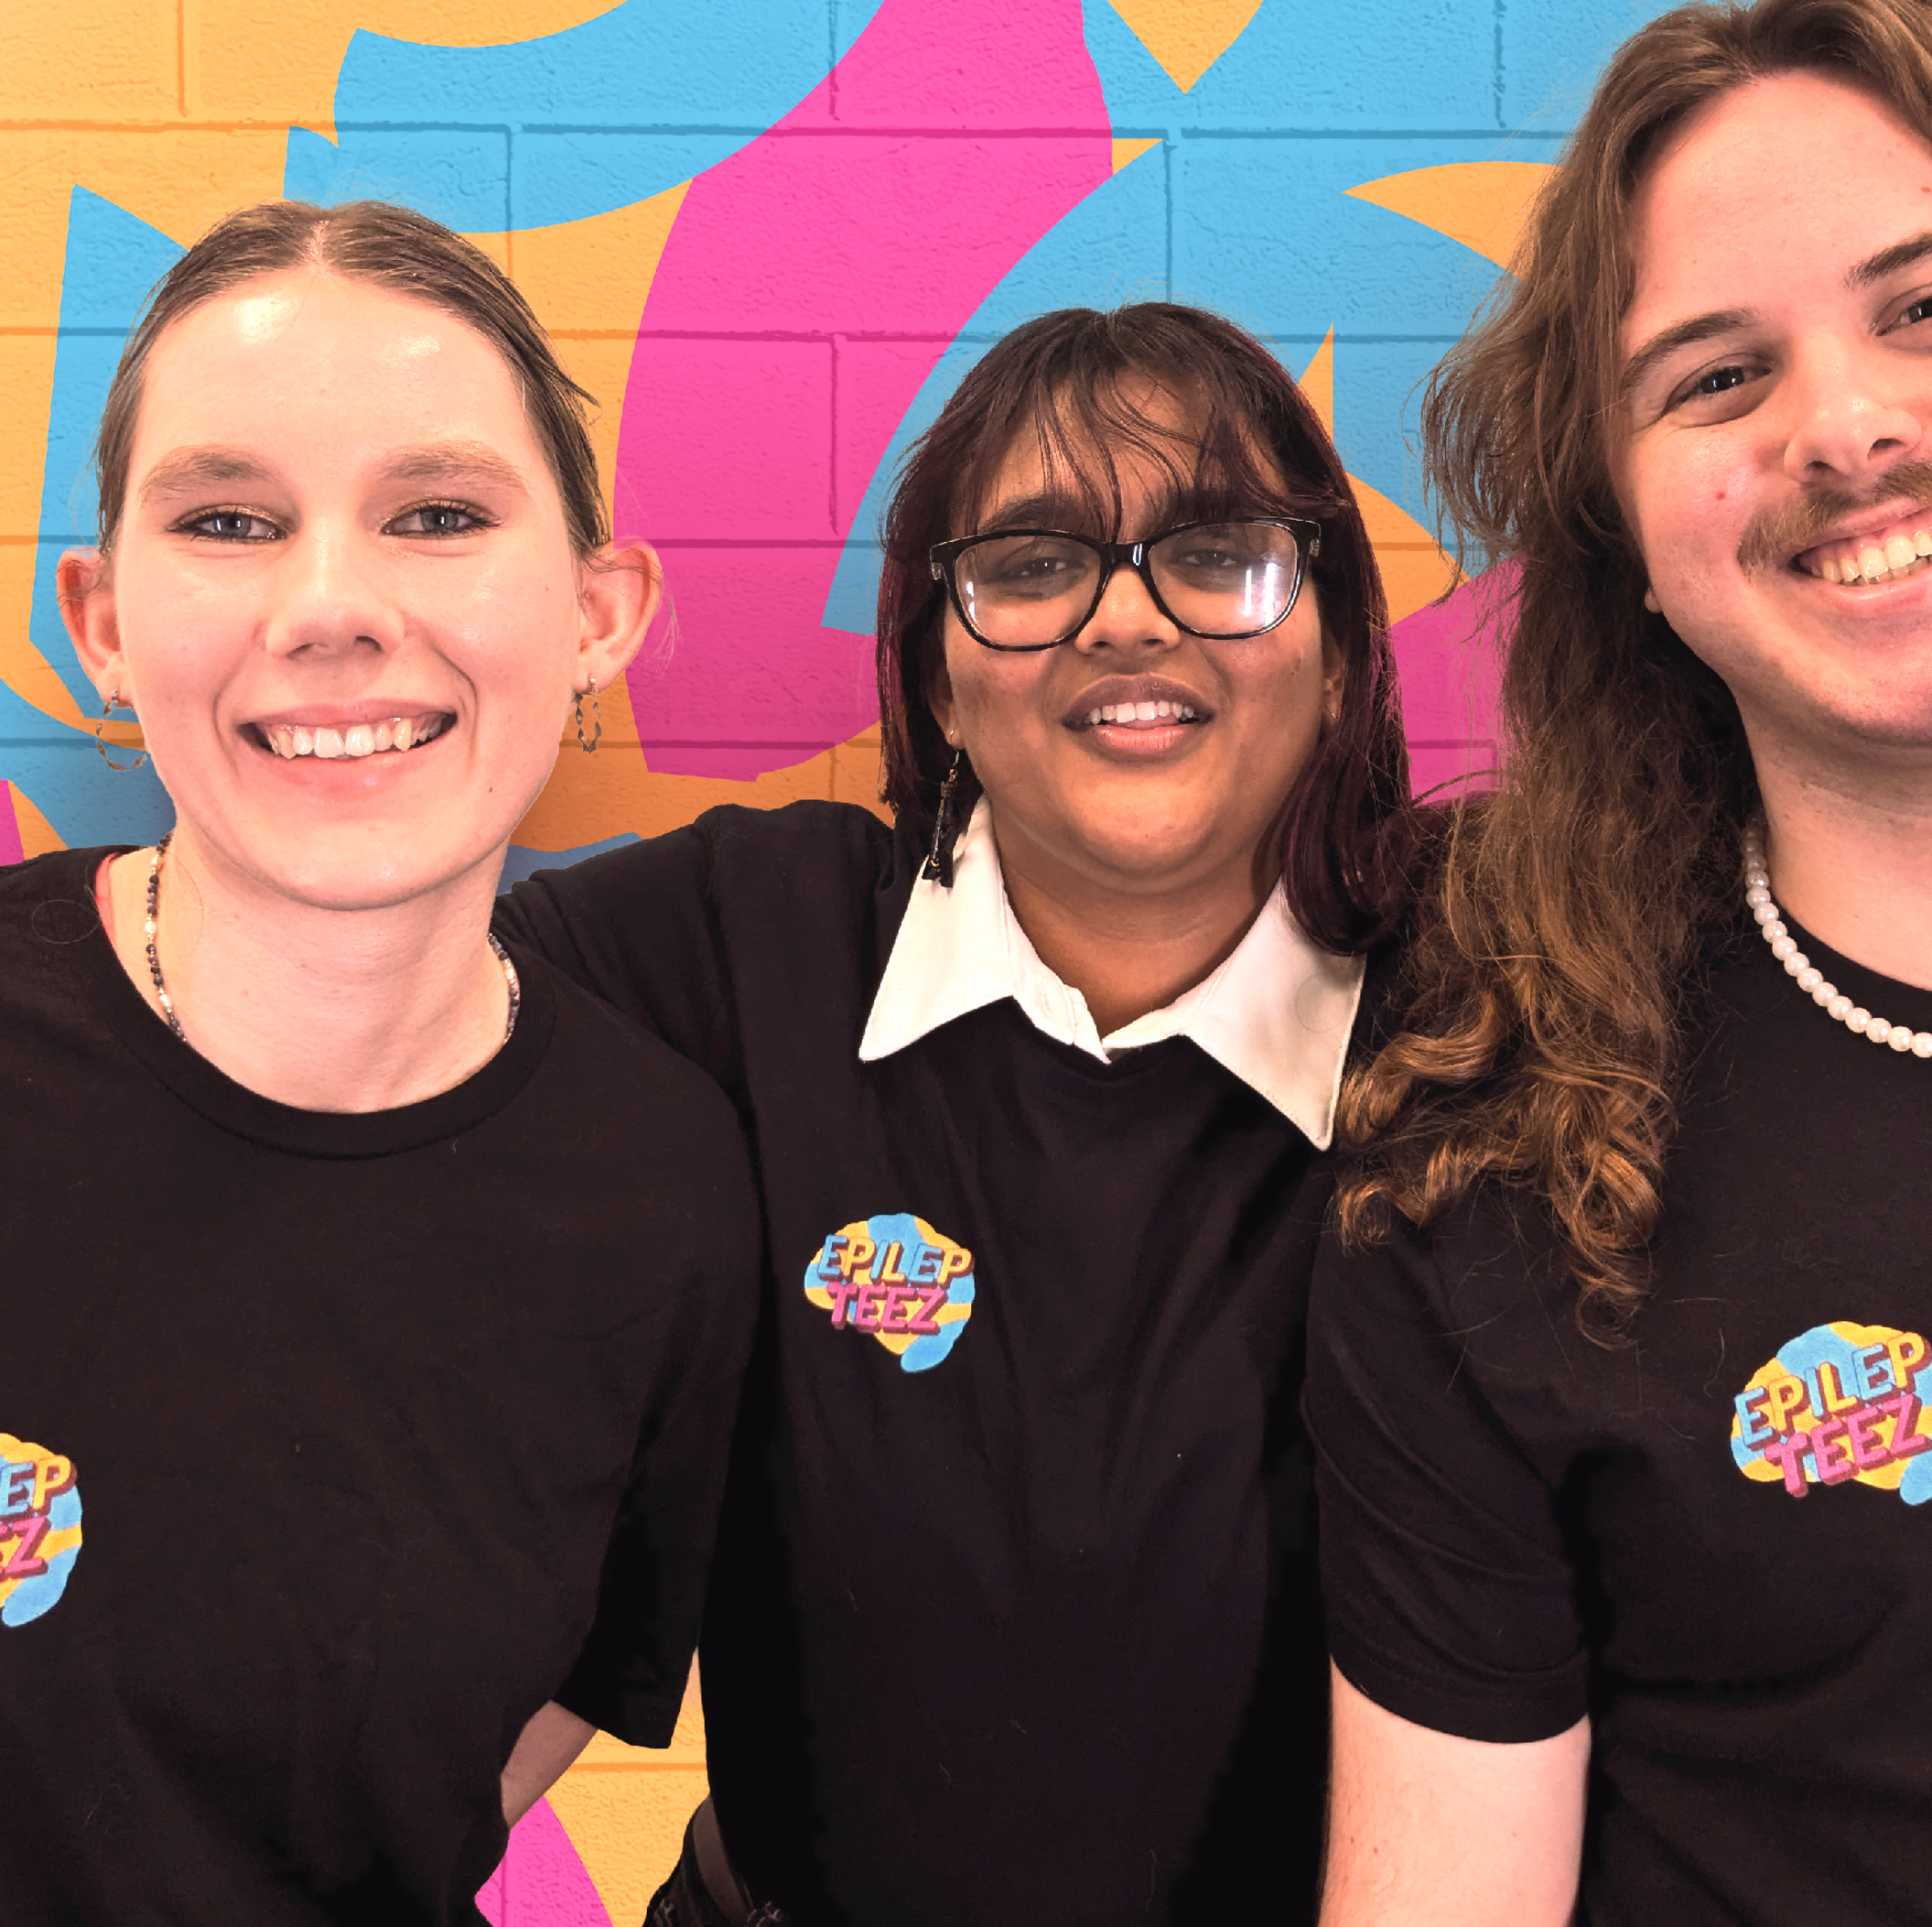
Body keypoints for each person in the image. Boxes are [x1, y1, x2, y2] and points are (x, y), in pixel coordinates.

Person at [1306, 0, 1932, 1924]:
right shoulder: (1495, 1152)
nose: (1841, 426)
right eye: (1715, 378)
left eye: (1931, 303)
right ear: (1627, 541)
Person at [491, 302, 1415, 1924]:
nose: (1127, 624)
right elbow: (329, 1011)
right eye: (1033, 564)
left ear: (1338, 650)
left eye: (1219, 551)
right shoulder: (731, 951)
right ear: (933, 666)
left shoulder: (1509, 1010)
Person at [4, 200, 759, 1925]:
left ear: (597, 612)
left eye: (434, 515)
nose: (331, 606)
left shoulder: (662, 1201)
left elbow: (538, 1715)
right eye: (229, 521)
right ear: (104, 625)